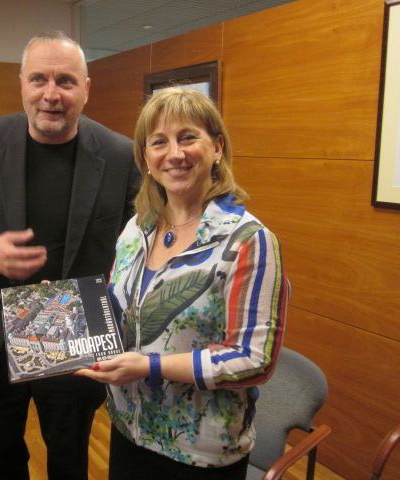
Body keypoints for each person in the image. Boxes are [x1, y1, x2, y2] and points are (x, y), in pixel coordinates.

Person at [0, 31, 140, 480]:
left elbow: (139, 245)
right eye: (39, 79)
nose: (51, 94)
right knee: (0, 459)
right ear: (22, 83)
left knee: (69, 460)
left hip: (75, 335)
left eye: (66, 81)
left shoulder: (120, 154)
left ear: (86, 88)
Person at [75, 88, 289, 480]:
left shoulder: (248, 241)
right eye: (159, 142)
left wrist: (150, 367)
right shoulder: (137, 228)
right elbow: (119, 311)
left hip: (200, 452)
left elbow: (254, 360)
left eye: (188, 137)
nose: (174, 154)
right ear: (146, 158)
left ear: (217, 147)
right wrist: (64, 311)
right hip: (128, 429)